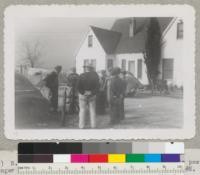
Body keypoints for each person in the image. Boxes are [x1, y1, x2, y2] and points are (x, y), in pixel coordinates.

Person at [77, 63, 100, 129]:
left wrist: (84, 92)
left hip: (82, 95)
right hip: (92, 95)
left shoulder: (81, 75)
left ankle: (81, 126)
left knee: (82, 110)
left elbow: (78, 87)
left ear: (86, 68)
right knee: (92, 110)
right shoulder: (95, 76)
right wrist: (91, 92)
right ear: (91, 68)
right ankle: (93, 125)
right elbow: (97, 87)